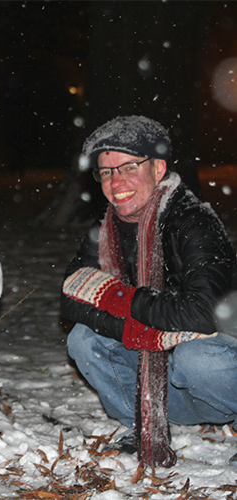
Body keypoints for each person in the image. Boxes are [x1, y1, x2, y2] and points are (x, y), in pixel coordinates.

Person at [60, 115, 237, 467]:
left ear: (158, 168)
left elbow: (203, 313)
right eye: (106, 172)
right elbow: (72, 297)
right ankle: (141, 424)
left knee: (195, 356)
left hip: (217, 377)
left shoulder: (193, 221)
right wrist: (132, 330)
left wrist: (119, 299)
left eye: (128, 167)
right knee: (83, 340)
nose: (116, 181)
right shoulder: (106, 229)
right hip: (167, 390)